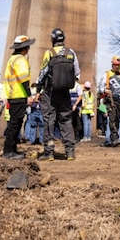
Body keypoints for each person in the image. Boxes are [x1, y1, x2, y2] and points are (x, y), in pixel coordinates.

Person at [36, 28, 80, 160]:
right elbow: (77, 73)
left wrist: (38, 89)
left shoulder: (49, 53)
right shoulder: (71, 53)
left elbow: (43, 72)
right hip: (65, 92)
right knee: (66, 120)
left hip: (50, 92)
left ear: (52, 40)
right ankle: (70, 152)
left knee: (49, 121)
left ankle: (49, 153)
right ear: (63, 39)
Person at [3, 35, 37, 159]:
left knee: (14, 123)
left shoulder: (12, 59)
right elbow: (23, 79)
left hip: (12, 95)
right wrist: (29, 95)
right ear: (25, 48)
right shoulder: (21, 60)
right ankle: (8, 152)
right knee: (15, 124)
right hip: (19, 95)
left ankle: (12, 150)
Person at [102, 55, 120, 147]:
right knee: (112, 119)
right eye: (115, 64)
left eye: (118, 65)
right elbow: (101, 86)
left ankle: (112, 139)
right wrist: (105, 90)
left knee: (117, 119)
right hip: (110, 100)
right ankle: (114, 138)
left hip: (119, 100)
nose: (116, 66)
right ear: (112, 64)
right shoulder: (107, 74)